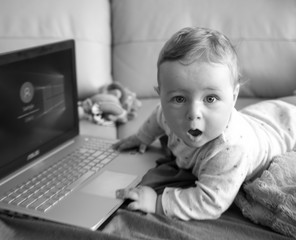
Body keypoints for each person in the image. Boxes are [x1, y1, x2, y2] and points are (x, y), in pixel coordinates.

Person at [114, 27, 296, 221]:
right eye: (178, 99)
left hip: (283, 128)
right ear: (161, 96)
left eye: (210, 98)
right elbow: (157, 117)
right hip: (258, 118)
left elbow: (211, 202)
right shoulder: (167, 115)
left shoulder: (230, 149)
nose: (193, 114)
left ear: (233, 97)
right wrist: (141, 137)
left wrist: (158, 202)